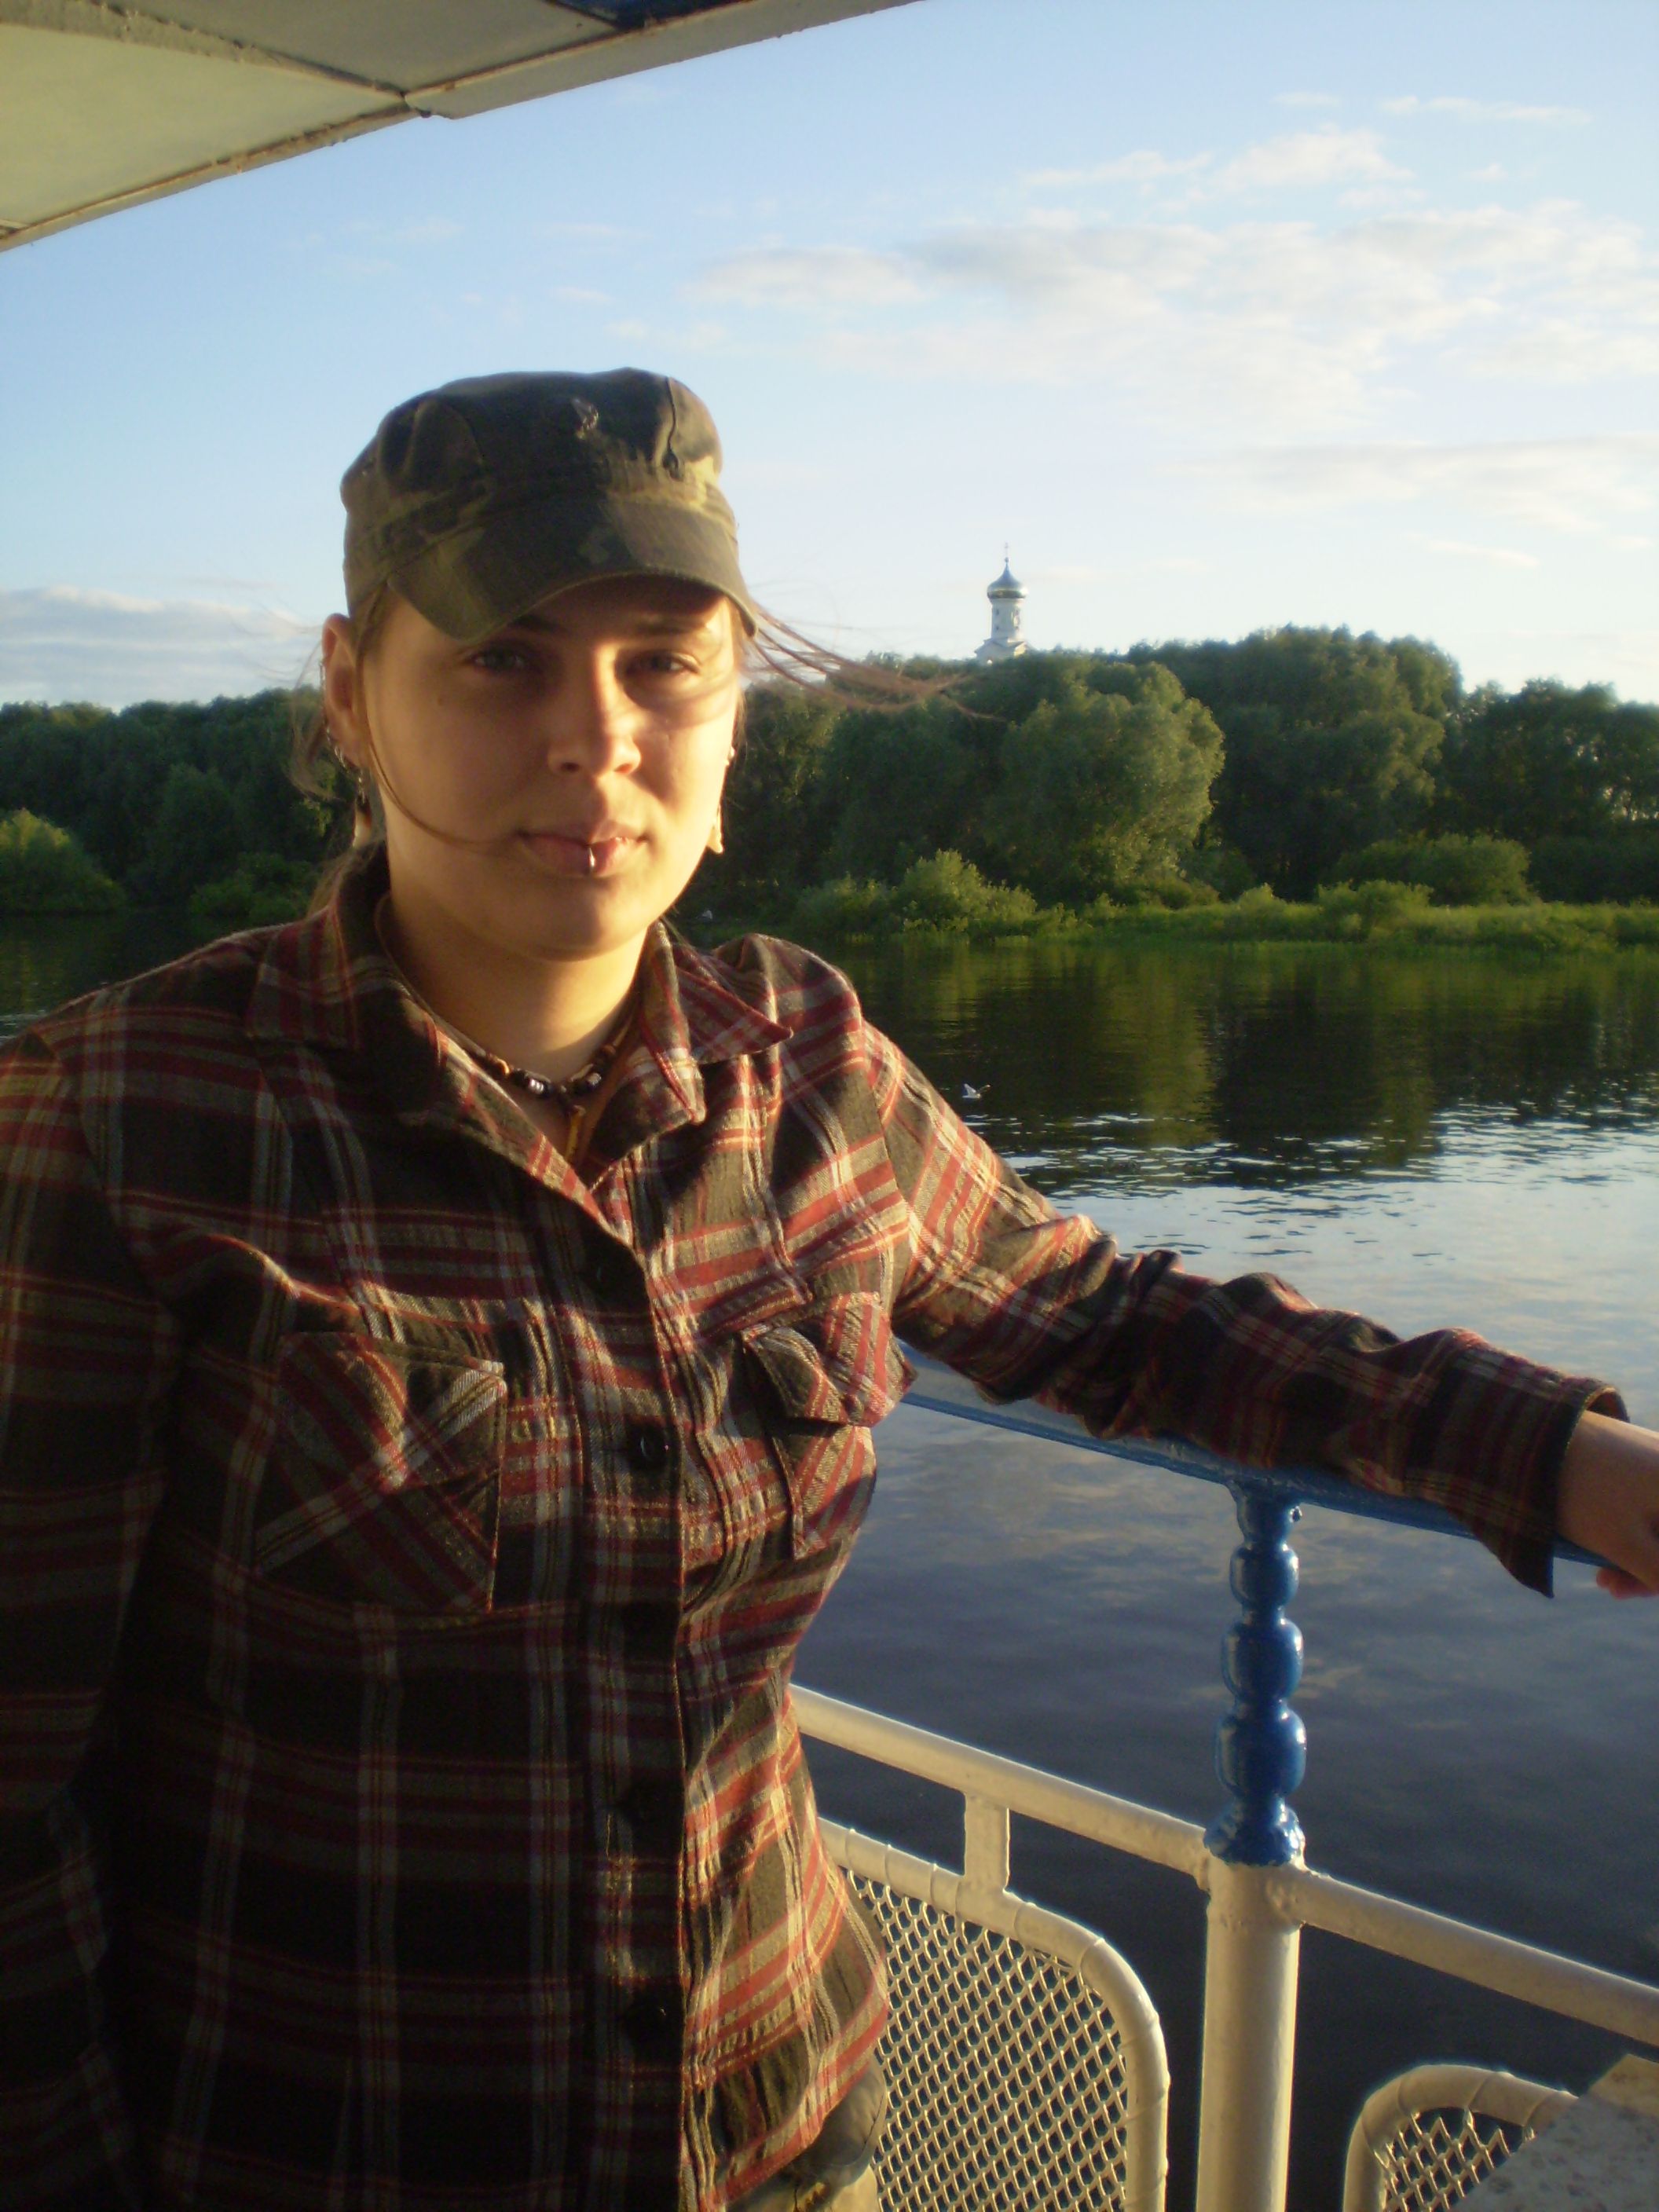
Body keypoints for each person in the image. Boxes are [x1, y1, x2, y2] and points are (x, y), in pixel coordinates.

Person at [2, 369, 1655, 2212]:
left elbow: (1108, 1320)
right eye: (502, 659)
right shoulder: (122, 1118)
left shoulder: (806, 1067)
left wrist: (1558, 1453)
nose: (595, 737)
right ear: (346, 691)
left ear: (733, 713)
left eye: (664, 665)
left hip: (783, 2137)